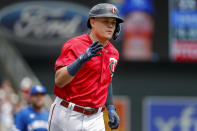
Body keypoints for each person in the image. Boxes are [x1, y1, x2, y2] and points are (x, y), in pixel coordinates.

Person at [48, 3, 124, 131]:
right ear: (92, 22)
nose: (111, 25)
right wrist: (81, 60)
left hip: (96, 117)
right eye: (105, 21)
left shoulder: (113, 53)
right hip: (68, 113)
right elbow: (59, 81)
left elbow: (107, 80)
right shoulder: (74, 45)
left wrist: (110, 106)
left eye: (113, 22)